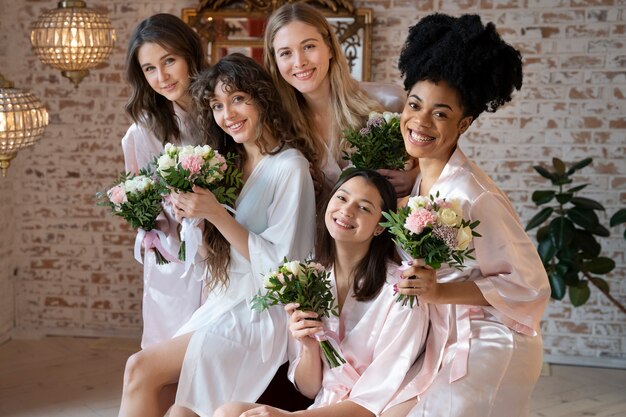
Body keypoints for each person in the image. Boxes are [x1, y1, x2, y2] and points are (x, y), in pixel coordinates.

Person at [117, 53, 321, 417]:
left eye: (238, 99)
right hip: (223, 302)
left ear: (262, 98)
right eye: (217, 105)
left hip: (262, 312)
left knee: (140, 368)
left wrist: (216, 214)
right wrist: (194, 220)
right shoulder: (230, 164)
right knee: (162, 392)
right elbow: (216, 256)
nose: (228, 115)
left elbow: (283, 268)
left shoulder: (290, 167)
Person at [386, 13, 551, 417]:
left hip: (493, 340)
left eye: (440, 114)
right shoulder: (423, 180)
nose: (420, 121)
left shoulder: (472, 197)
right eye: (414, 105)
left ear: (464, 123)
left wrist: (438, 292)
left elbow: (530, 287)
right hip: (450, 332)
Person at [214, 169, 429, 417]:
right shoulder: (309, 280)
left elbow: (375, 401)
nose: (347, 211)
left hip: (369, 413)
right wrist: (307, 346)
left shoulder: (403, 293)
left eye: (364, 208)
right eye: (342, 198)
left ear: (380, 227)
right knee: (227, 412)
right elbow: (309, 389)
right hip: (321, 408)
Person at [263, 2, 418, 196]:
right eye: (286, 53)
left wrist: (414, 176)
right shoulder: (277, 126)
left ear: (329, 48)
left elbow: (441, 160)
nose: (299, 62)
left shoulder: (389, 102)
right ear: (275, 61)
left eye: (309, 46)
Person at [121, 13, 209, 349]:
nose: (162, 76)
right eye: (149, 69)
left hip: (226, 247)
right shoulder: (141, 133)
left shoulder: (223, 110)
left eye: (169, 60)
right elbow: (141, 202)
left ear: (189, 55)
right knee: (168, 350)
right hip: (173, 260)